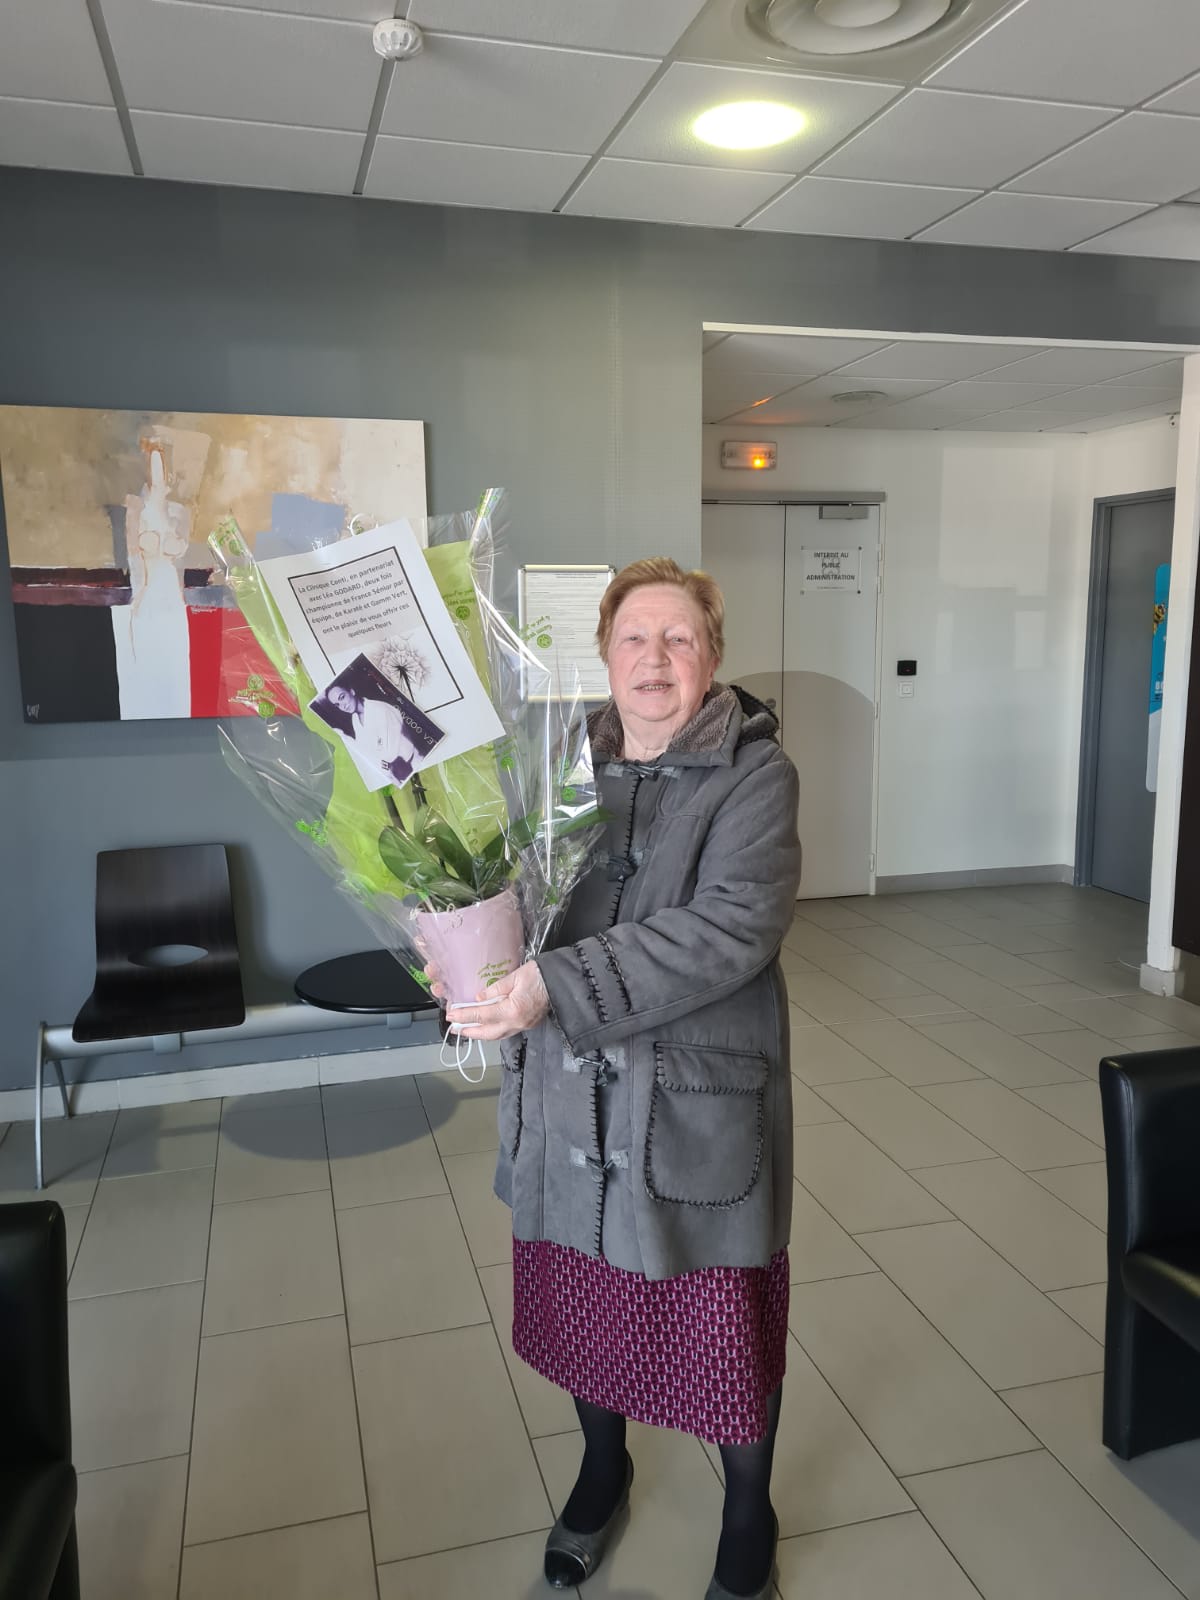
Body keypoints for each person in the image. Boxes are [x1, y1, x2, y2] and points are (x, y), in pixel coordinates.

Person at [438, 557, 802, 1600]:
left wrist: (552, 983)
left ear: (712, 658)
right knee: (585, 1305)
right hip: (565, 1095)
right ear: (602, 656)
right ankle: (604, 1468)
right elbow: (510, 896)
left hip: (688, 1107)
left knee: (720, 1320)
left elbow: (732, 928)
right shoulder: (559, 764)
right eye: (634, 638)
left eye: (679, 639)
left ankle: (748, 1508)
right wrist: (465, 951)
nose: (655, 659)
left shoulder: (757, 775)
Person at [320, 681, 418, 782]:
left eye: (342, 697)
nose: (343, 706)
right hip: (394, 774)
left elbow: (388, 754)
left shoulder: (379, 710)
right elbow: (365, 750)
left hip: (414, 767)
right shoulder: (355, 719)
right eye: (337, 704)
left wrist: (374, 757)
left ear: (351, 691)